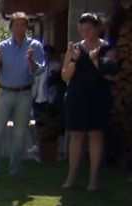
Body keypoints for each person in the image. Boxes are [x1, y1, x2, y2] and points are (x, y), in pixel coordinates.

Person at [0, 12, 45, 182]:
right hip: (5, 92)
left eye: (23, 25)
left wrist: (31, 60)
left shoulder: (35, 46)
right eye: (16, 25)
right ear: (11, 27)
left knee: (19, 134)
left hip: (24, 93)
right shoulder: (2, 47)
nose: (19, 28)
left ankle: (15, 171)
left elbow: (39, 70)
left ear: (27, 27)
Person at [61, 13, 118, 191]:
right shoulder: (75, 49)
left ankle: (93, 180)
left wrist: (94, 60)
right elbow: (65, 76)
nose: (85, 32)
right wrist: (74, 60)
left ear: (97, 28)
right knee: (76, 136)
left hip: (98, 97)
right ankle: (71, 177)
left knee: (95, 135)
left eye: (89, 29)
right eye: (82, 29)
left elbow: (111, 74)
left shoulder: (107, 48)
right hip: (77, 97)